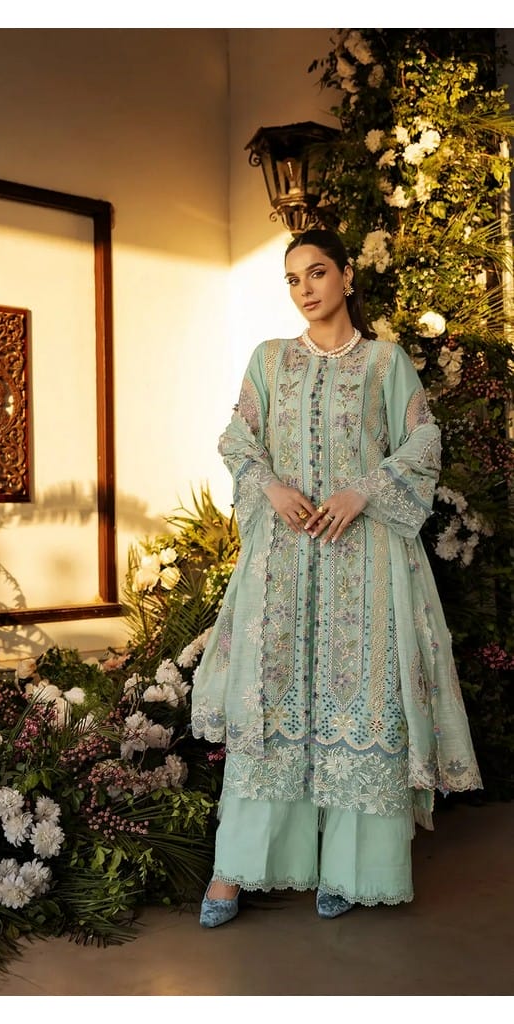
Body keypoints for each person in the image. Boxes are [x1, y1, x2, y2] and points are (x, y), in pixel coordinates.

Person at [190, 228, 482, 926]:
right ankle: (236, 869)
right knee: (272, 702)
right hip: (284, 562)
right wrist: (270, 487)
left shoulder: (385, 363)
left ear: (347, 276)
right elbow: (237, 439)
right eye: (292, 279)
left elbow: (423, 442)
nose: (305, 289)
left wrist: (363, 491)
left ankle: (352, 870)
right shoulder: (268, 360)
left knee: (360, 700)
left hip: (366, 561)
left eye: (317, 272)